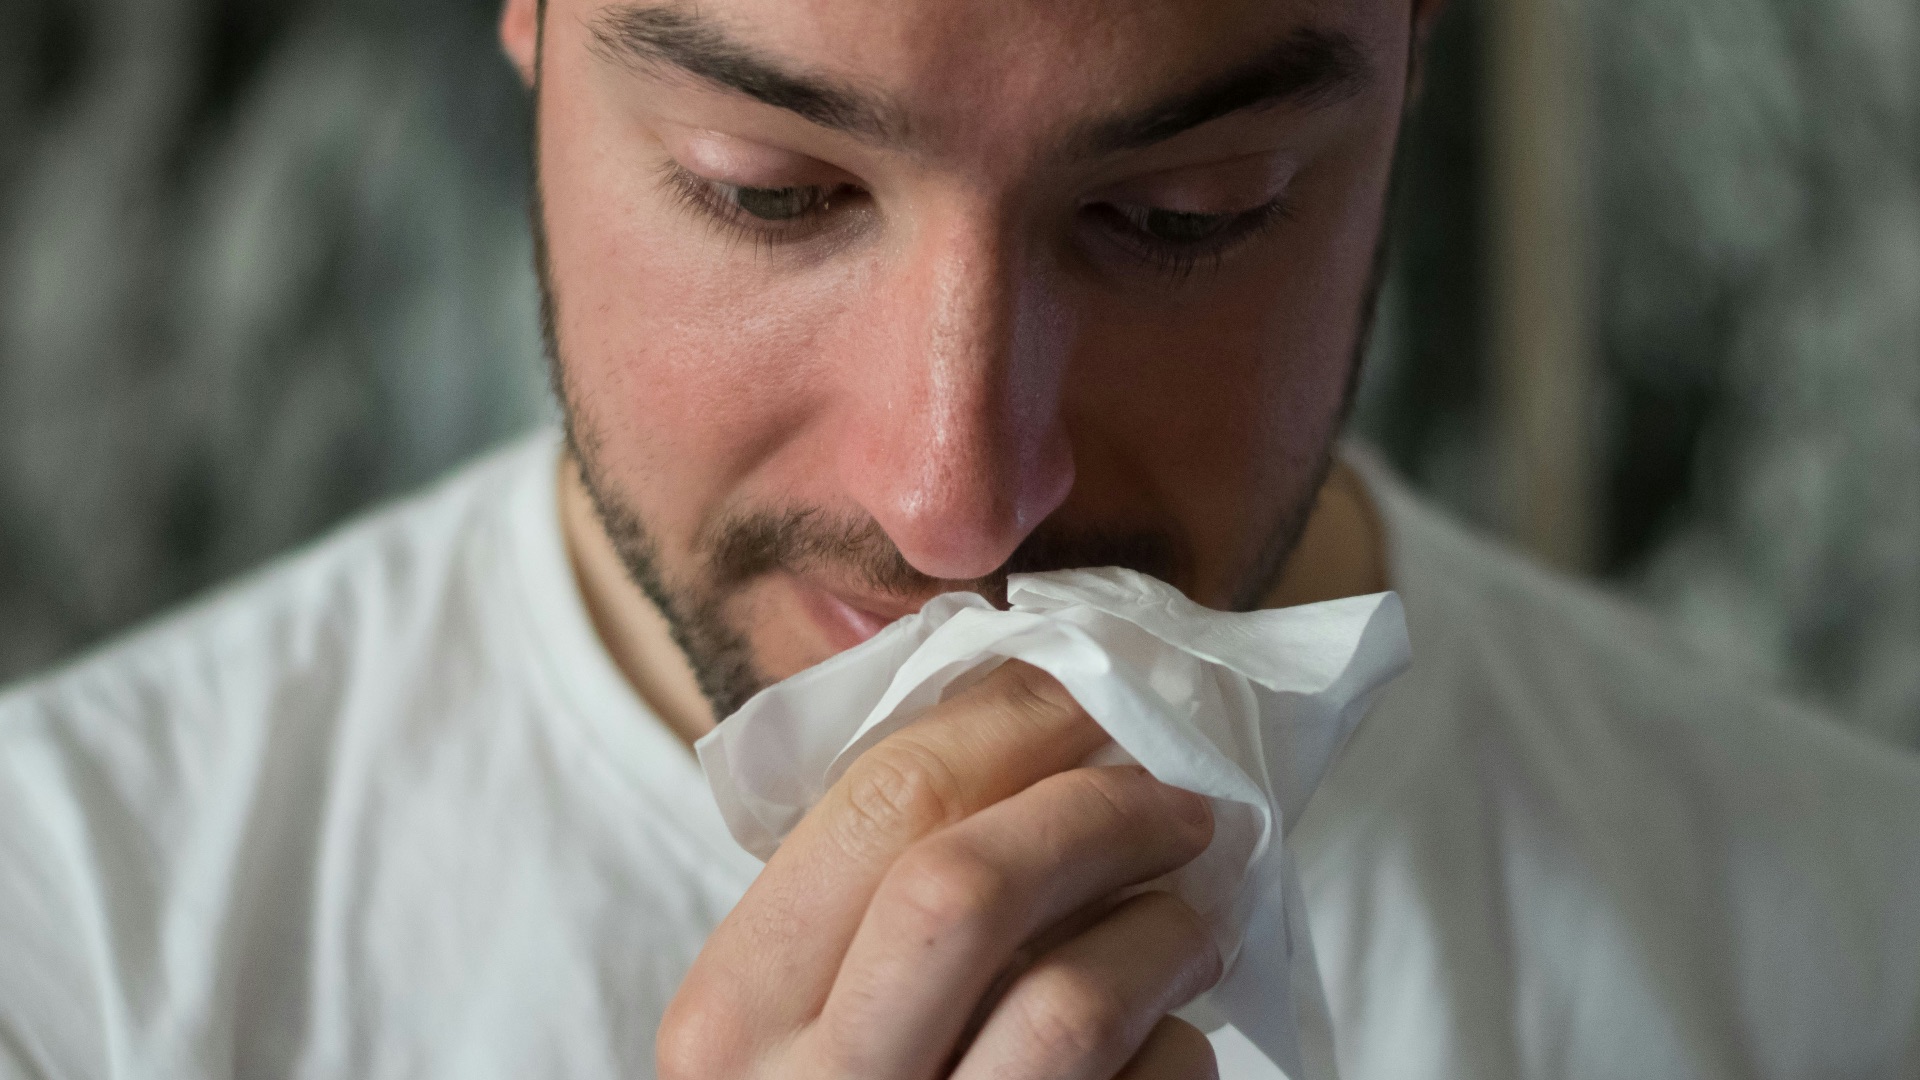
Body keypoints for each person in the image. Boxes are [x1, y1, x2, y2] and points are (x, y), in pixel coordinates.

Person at [2, 0, 1916, 1076]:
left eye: (1189, 213)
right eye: (772, 194)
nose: (960, 499)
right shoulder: (68, 955)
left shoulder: (1855, 956)